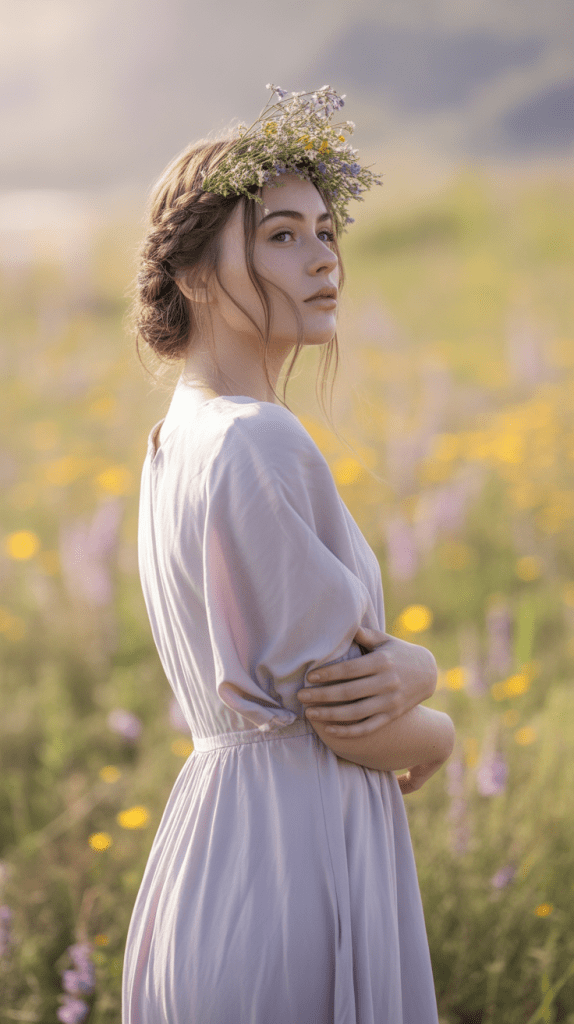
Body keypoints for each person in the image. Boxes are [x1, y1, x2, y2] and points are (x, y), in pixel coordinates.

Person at [122, 85, 454, 1023]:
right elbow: (349, 718)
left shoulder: (174, 441)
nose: (323, 259)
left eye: (325, 232)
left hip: (213, 858)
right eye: (280, 236)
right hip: (292, 868)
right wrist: (437, 724)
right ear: (193, 276)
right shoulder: (256, 437)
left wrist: (413, 670)